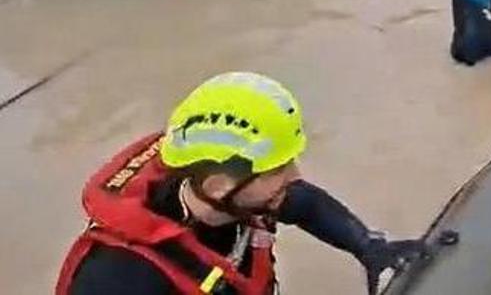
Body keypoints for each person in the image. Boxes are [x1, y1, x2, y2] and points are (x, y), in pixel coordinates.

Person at [57, 72, 430, 295]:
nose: (295, 177)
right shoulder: (117, 280)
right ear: (220, 185)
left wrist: (368, 248)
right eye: (277, 170)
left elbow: (306, 205)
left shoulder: (240, 196)